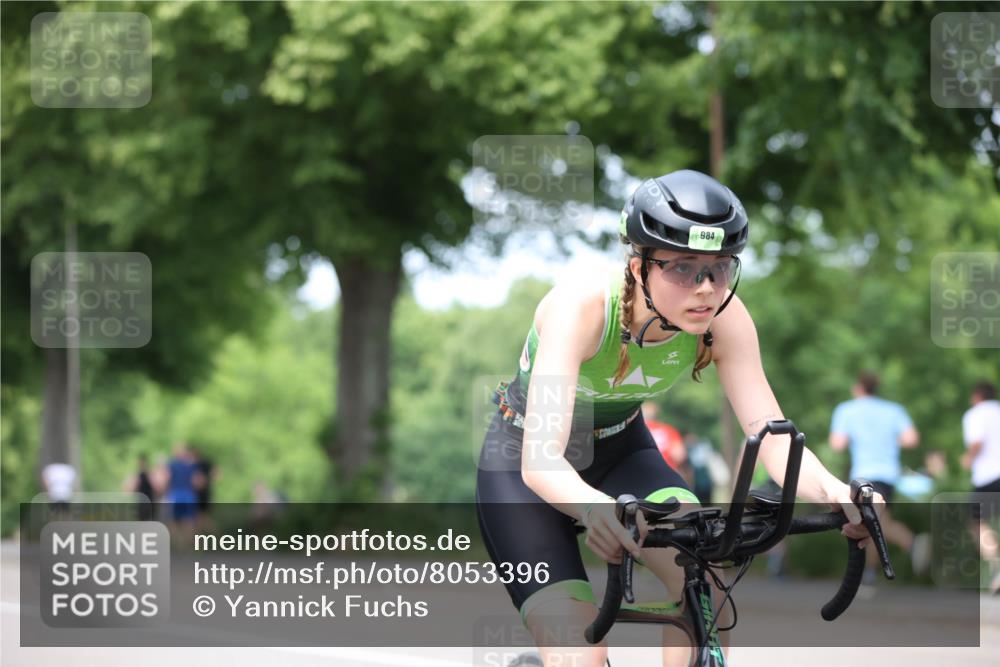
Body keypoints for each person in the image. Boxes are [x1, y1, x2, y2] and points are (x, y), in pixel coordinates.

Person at [475, 170, 881, 667]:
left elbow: (770, 434)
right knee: (580, 653)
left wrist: (836, 491)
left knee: (701, 577)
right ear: (637, 265)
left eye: (721, 268)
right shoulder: (581, 309)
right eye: (683, 268)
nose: (706, 288)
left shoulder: (723, 320)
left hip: (625, 453)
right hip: (523, 469)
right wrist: (592, 509)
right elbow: (542, 461)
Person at [829, 371, 930, 583]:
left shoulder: (847, 410)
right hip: (888, 475)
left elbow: (837, 444)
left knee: (870, 522)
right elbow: (911, 439)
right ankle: (898, 553)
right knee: (879, 521)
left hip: (863, 476)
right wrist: (888, 441)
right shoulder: (894, 410)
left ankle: (872, 572)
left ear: (858, 388)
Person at [960, 380, 1000, 595]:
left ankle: (996, 567)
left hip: (989, 476)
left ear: (976, 396)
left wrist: (968, 458)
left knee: (977, 523)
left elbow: (977, 442)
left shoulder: (975, 414)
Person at [641, 402, 685, 471]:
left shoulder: (636, 430)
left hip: (643, 472)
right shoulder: (669, 430)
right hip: (666, 472)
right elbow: (679, 456)